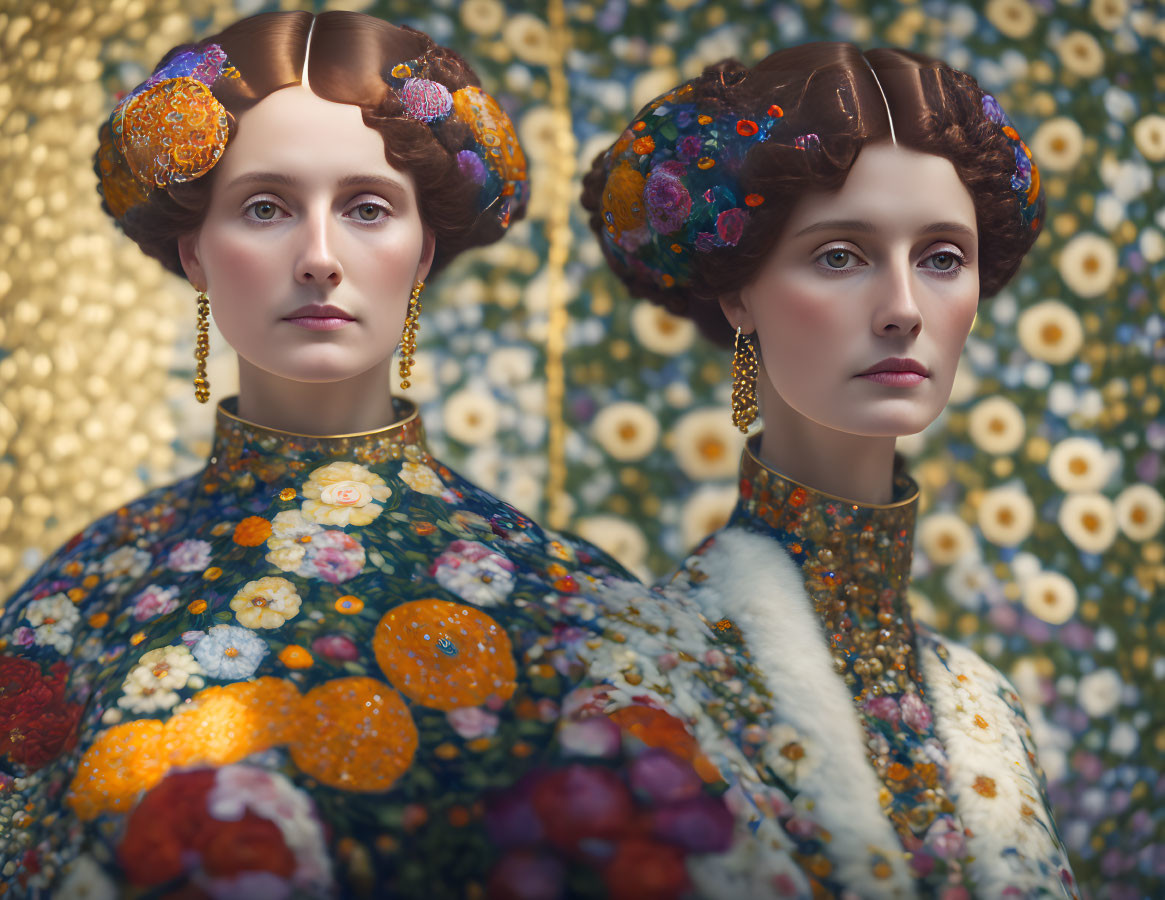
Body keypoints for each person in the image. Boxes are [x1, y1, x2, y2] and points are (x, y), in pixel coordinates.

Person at [0, 12, 775, 898]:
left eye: (367, 209)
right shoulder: (88, 596)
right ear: (195, 253)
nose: (319, 257)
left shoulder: (568, 604)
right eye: (265, 208)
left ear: (422, 252)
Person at [583, 43, 1079, 898]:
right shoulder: (641, 670)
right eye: (839, 256)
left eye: (940, 258)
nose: (900, 311)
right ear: (737, 294)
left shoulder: (984, 703)